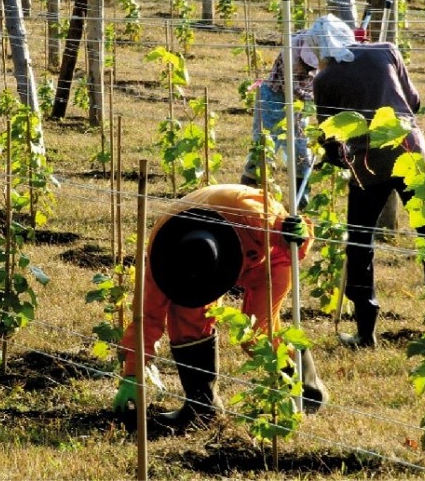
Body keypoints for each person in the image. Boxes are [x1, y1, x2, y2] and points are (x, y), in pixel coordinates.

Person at [112, 183, 330, 428]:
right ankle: (203, 408)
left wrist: (298, 235)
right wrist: (132, 374)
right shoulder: (164, 258)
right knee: (186, 321)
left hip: (271, 259)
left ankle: (308, 391)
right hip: (198, 267)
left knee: (258, 333)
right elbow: (147, 316)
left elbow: (295, 234)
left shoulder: (250, 214)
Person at [307, 15, 425, 349]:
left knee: (360, 242)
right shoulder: (385, 50)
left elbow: (330, 137)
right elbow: (414, 102)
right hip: (411, 151)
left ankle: (365, 330)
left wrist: (338, 157)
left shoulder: (324, 79)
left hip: (368, 163)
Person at [240, 32, 321, 208]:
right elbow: (292, 89)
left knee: (302, 152)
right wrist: (316, 99)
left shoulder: (322, 48)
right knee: (264, 148)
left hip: (300, 105)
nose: (308, 68)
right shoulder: (290, 53)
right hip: (273, 99)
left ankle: (301, 202)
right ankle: (248, 196)